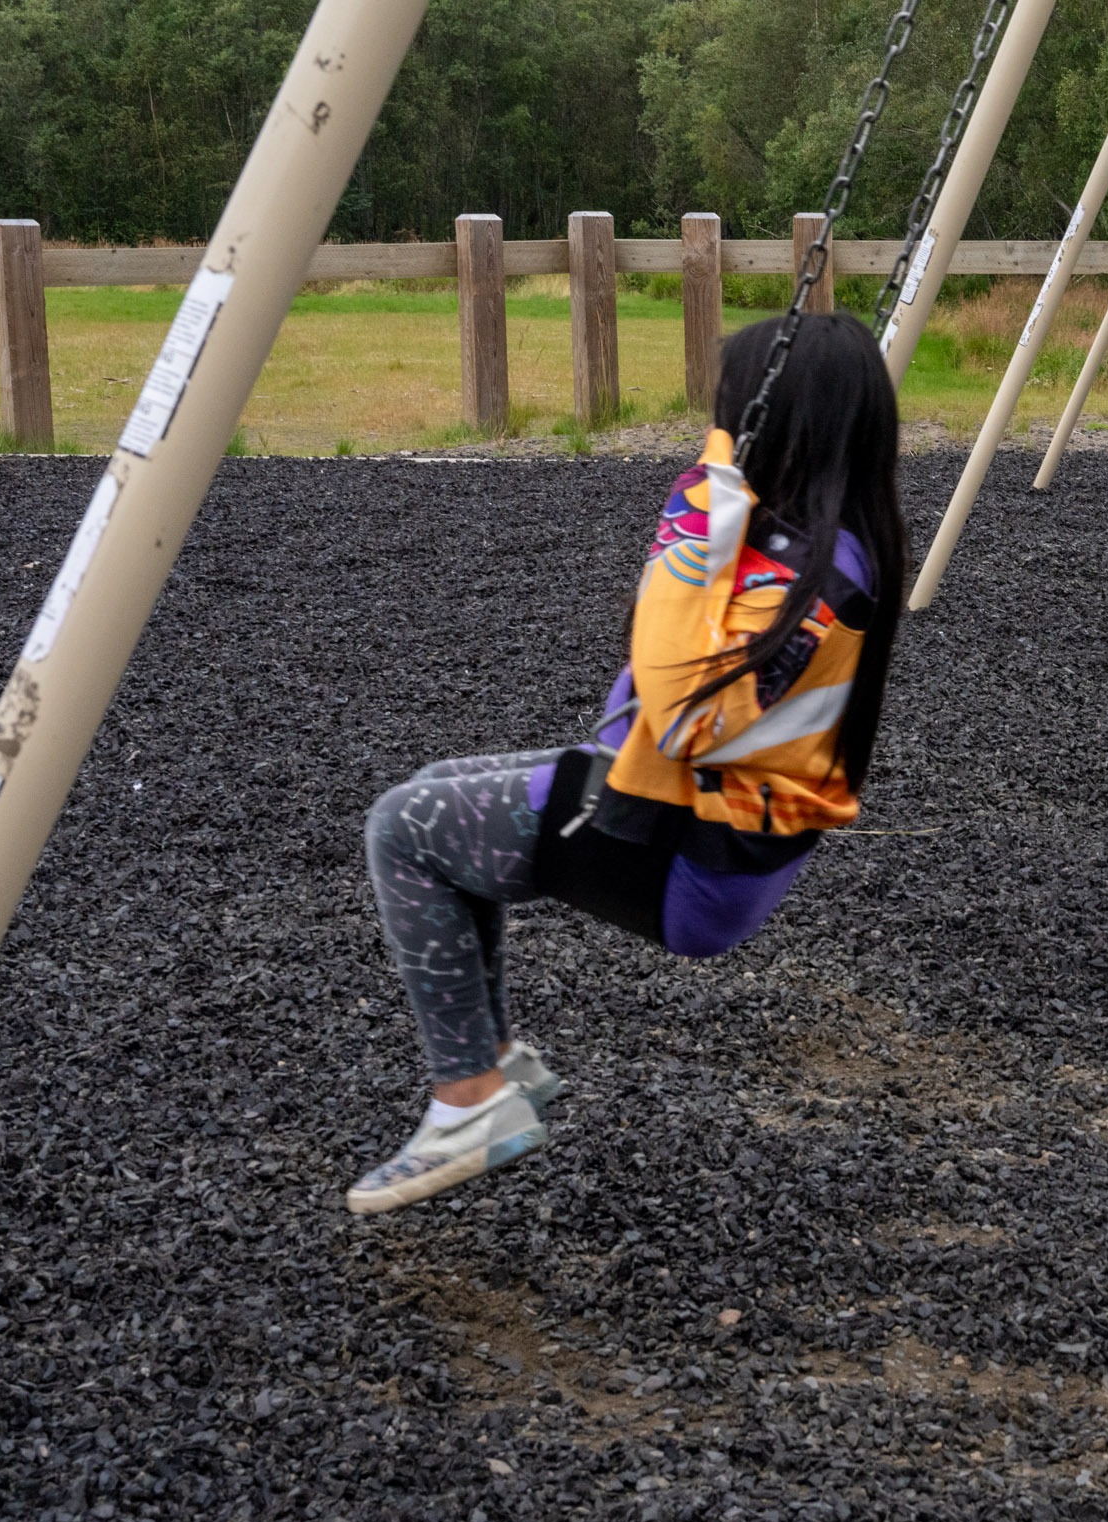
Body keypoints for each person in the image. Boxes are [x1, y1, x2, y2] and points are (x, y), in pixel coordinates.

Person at [345, 314, 907, 1214]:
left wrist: (693, 523)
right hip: (683, 811)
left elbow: (683, 708)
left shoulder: (816, 577)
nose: (715, 428)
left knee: (402, 830)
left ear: (771, 422)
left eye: (727, 411)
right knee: (430, 798)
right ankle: (492, 1065)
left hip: (687, 855)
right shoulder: (809, 531)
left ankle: (468, 1102)